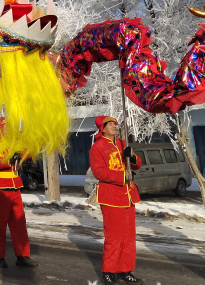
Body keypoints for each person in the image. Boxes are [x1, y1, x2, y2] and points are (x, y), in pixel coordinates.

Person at [90, 116, 143, 285]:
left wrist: (132, 157)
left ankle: (125, 270)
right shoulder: (97, 148)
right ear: (102, 129)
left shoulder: (122, 143)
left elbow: (137, 164)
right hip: (111, 196)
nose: (114, 126)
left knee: (128, 236)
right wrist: (123, 176)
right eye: (110, 124)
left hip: (128, 195)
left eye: (115, 123)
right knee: (114, 236)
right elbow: (99, 172)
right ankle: (109, 271)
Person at [0, 120, 37, 269]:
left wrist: (33, 138)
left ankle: (22, 256)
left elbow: (29, 153)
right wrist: (9, 159)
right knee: (0, 225)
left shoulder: (14, 142)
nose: (11, 128)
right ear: (1, 127)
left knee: (19, 225)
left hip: (15, 186)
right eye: (8, 125)